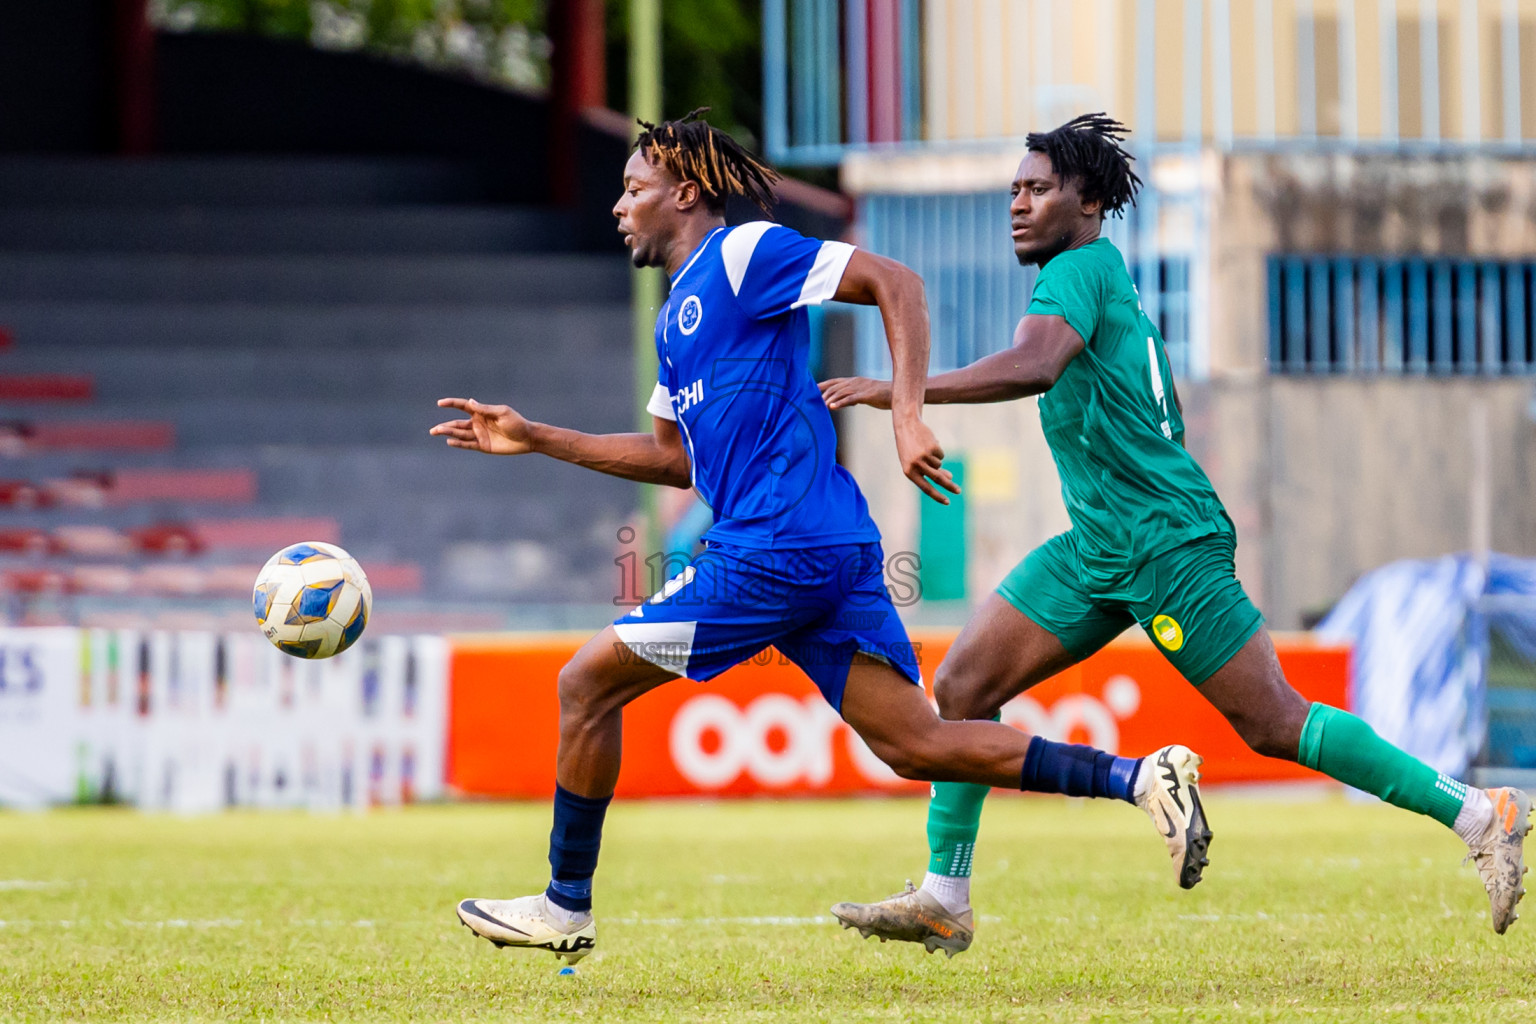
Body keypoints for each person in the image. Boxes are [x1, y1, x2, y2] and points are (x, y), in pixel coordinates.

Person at [430, 111, 1207, 964]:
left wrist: (906, 415)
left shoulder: (742, 253)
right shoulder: (675, 321)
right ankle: (1140, 778)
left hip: (774, 545)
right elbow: (672, 459)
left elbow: (896, 283)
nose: (619, 206)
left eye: (634, 189)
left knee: (585, 686)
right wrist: (539, 437)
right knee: (917, 744)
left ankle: (563, 903)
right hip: (824, 547)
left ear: (685, 192)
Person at [819, 113, 1532, 954]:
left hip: (1161, 548)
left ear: (1086, 203)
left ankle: (1481, 813)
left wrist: (902, 392)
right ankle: (945, 895)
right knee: (966, 685)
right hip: (1100, 547)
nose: (1017, 203)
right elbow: (1154, 404)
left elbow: (1035, 366)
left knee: (1273, 722)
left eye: (1037, 189)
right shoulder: (1099, 277)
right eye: (1013, 188)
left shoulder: (1076, 271)